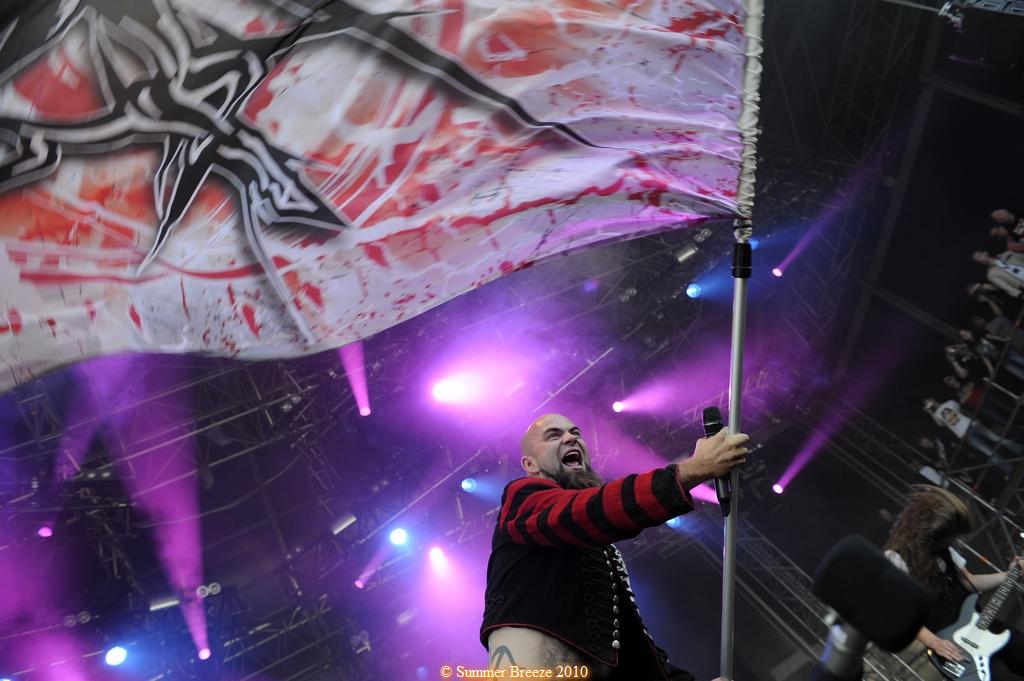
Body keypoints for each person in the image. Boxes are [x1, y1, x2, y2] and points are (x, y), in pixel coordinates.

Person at [480, 413, 748, 680]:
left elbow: (635, 653)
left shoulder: (598, 552)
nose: (571, 438)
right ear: (530, 464)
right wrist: (690, 471)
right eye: (553, 435)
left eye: (575, 432)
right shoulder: (521, 500)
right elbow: (588, 509)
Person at [884, 485, 1024, 679]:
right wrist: (934, 642)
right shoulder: (896, 558)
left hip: (982, 625)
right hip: (953, 645)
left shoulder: (945, 551)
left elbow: (969, 581)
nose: (952, 541)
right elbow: (901, 613)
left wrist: (1007, 575)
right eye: (949, 537)